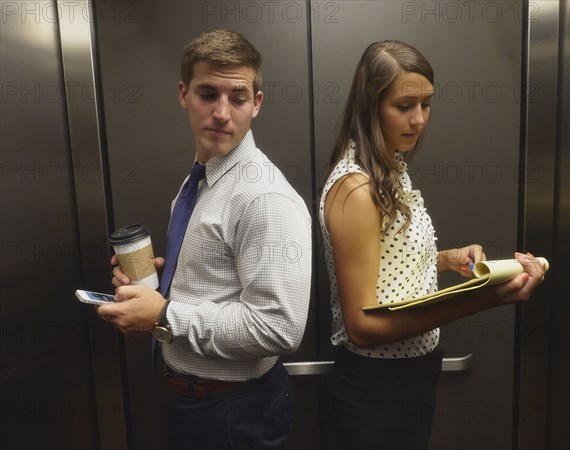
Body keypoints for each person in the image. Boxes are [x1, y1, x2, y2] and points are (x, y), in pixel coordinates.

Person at [319, 40, 546, 450]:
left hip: (410, 379)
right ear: (370, 106)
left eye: (426, 104)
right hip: (378, 389)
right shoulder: (356, 188)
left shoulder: (388, 168)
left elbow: (385, 259)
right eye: (404, 106)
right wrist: (486, 298)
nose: (419, 119)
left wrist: (444, 259)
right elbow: (362, 327)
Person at [97, 29, 312, 450]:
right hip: (197, 403)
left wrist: (165, 315)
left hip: (233, 414)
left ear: (257, 103)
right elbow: (214, 284)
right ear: (184, 94)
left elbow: (279, 327)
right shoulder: (201, 179)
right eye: (207, 93)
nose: (221, 112)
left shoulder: (263, 196)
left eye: (238, 97)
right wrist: (150, 294)